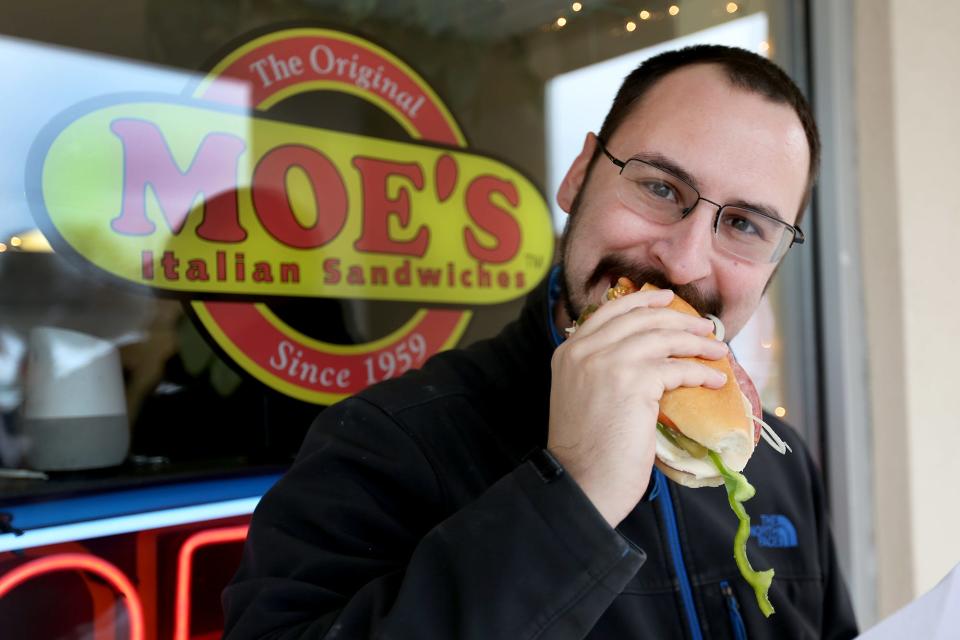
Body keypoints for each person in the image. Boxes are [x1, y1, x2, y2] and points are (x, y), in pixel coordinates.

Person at [222, 45, 858, 639]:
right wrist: (572, 496)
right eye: (660, 187)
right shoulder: (384, 441)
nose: (685, 261)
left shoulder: (777, 462)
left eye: (746, 224)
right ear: (580, 177)